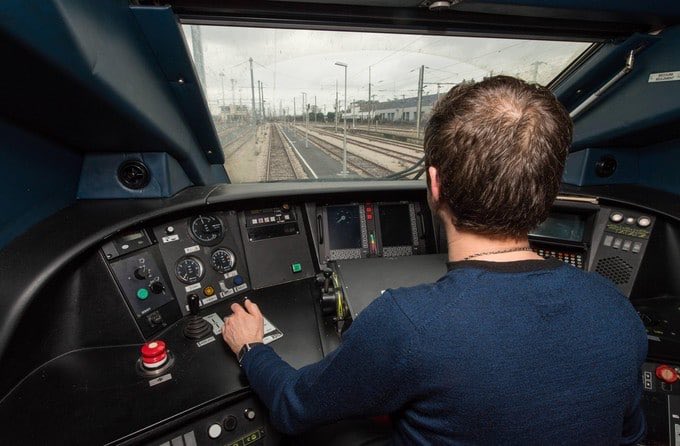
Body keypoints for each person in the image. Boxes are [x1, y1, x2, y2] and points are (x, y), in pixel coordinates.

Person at [221, 76, 648, 445]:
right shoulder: (616, 310)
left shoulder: (407, 323)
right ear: (549, 191)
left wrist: (251, 348)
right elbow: (629, 435)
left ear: (435, 183)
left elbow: (295, 407)